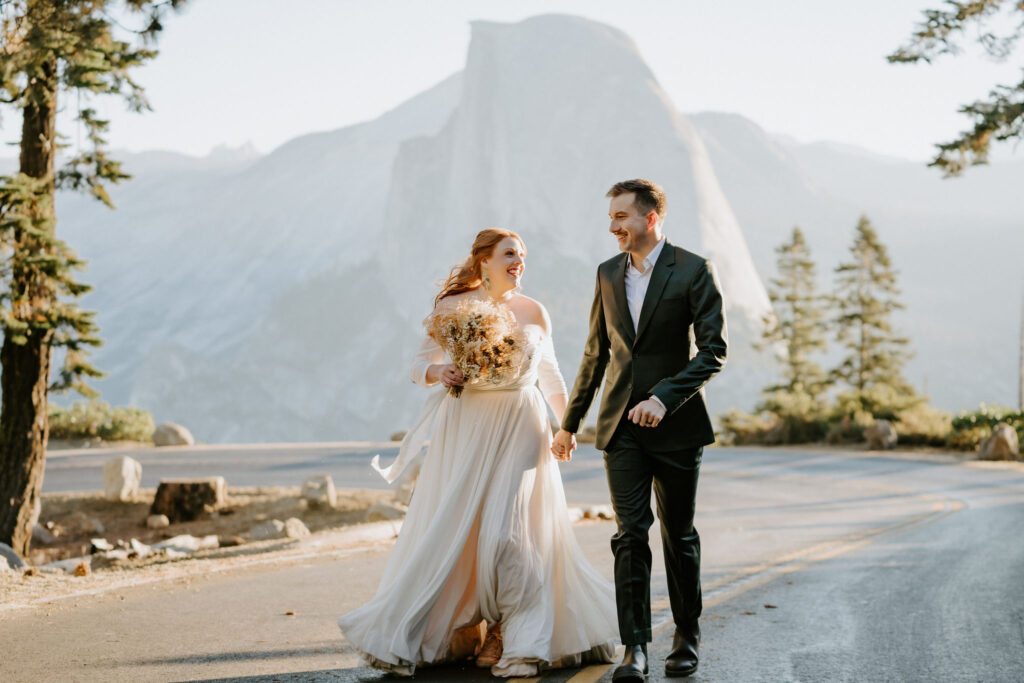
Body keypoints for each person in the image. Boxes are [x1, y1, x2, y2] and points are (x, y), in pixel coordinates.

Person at [338, 228, 616, 678]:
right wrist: (438, 370)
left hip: (522, 424)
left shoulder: (534, 311)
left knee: (510, 533)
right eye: (509, 253)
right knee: (461, 529)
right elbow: (415, 366)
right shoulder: (452, 309)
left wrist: (567, 427)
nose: (519, 261)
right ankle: (463, 628)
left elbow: (552, 376)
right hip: (465, 427)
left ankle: (516, 633)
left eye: (522, 255)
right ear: (482, 260)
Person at [553, 179, 728, 680]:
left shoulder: (693, 270)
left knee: (679, 534)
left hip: (678, 428)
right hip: (619, 428)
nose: (613, 226)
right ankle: (635, 648)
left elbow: (713, 351)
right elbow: (596, 353)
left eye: (621, 217)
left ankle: (686, 637)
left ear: (650, 218)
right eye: (611, 217)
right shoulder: (607, 274)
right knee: (630, 535)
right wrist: (570, 425)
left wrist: (664, 399)